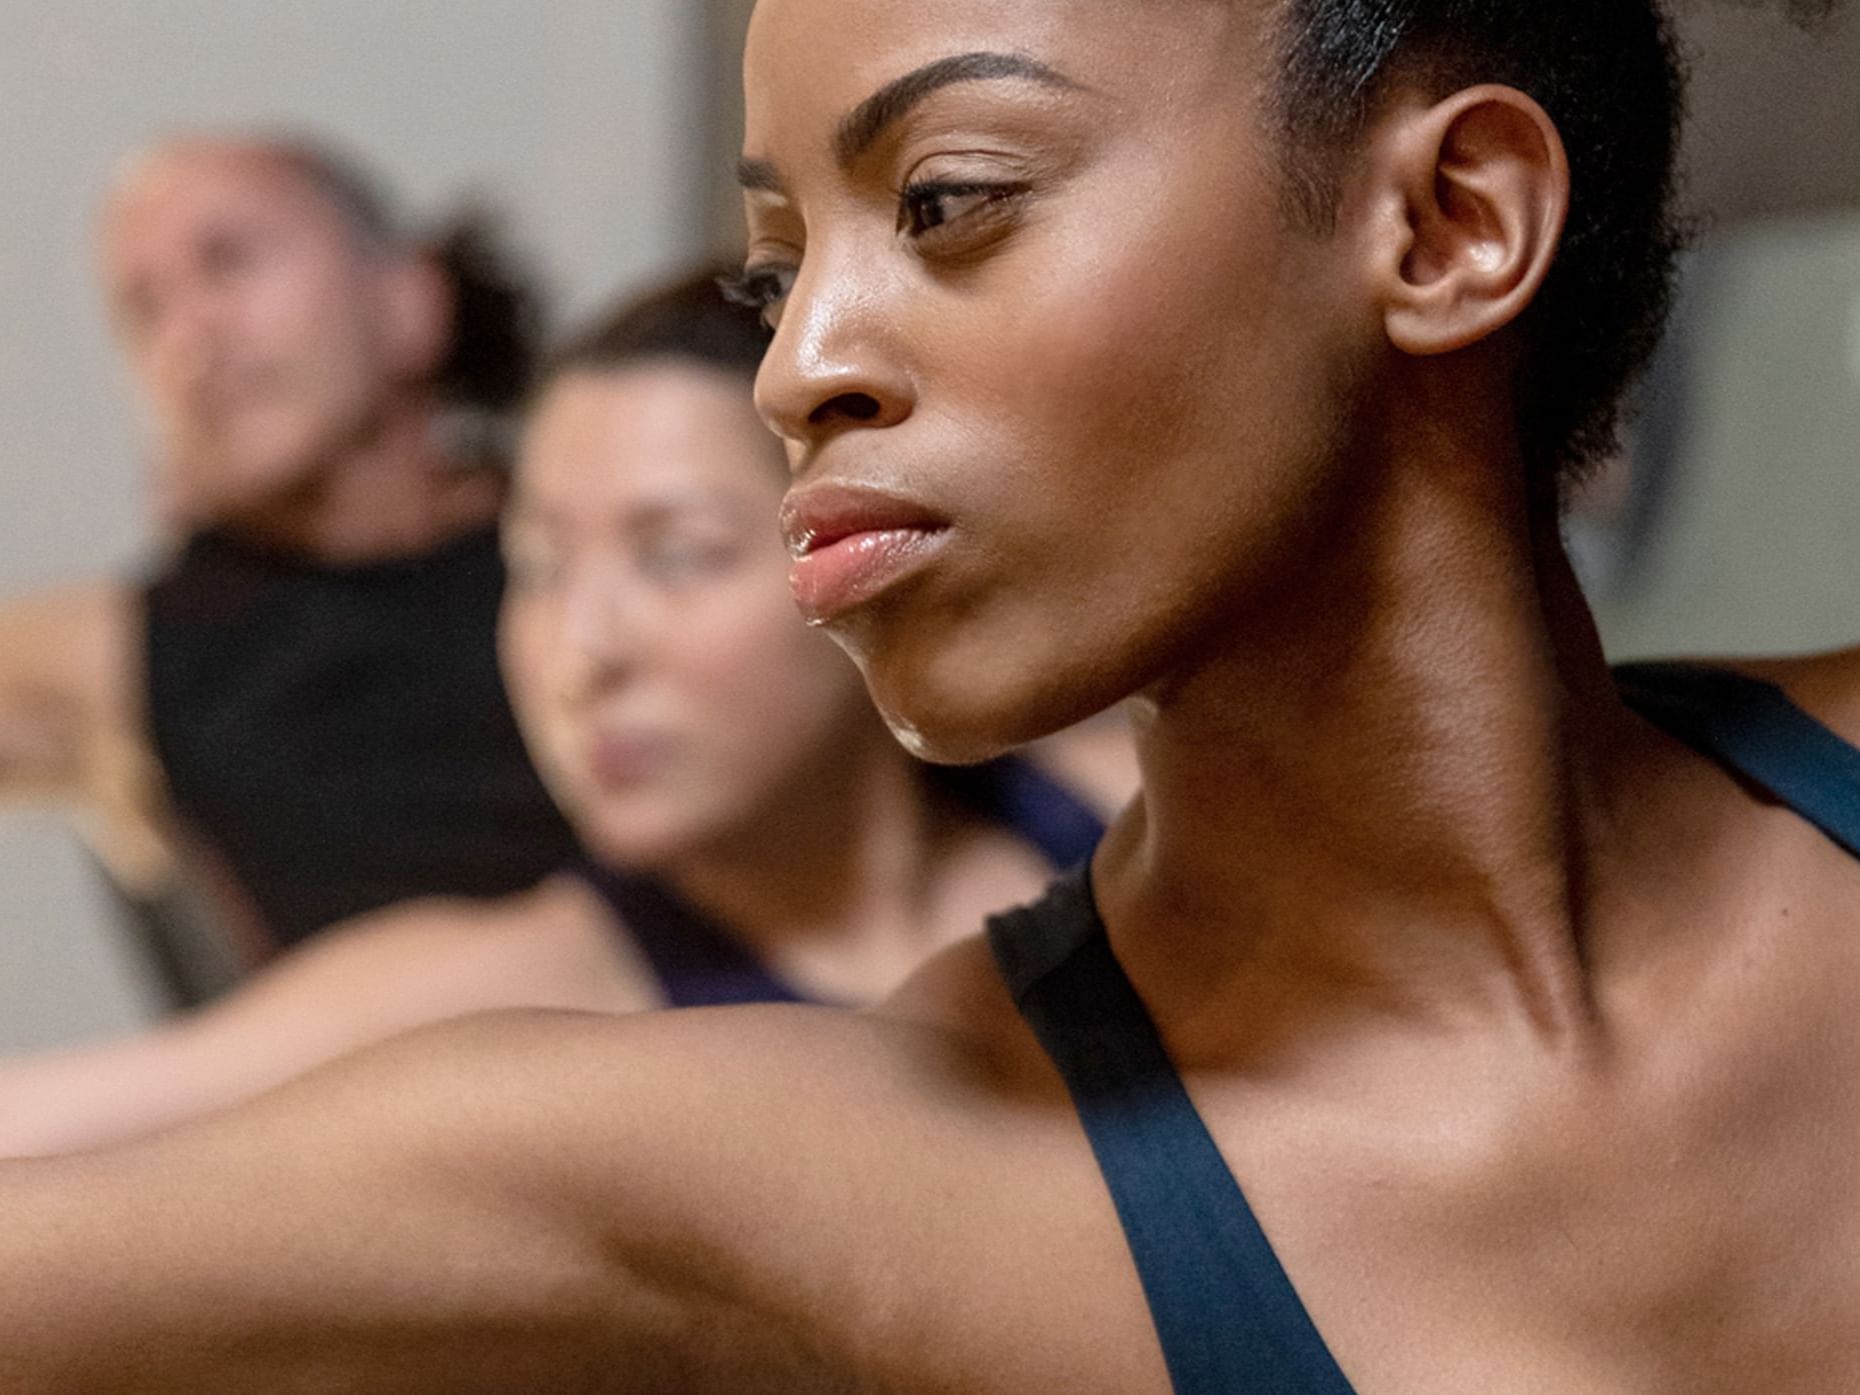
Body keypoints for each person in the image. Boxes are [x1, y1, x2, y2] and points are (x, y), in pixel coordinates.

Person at [4, 0, 1860, 1390]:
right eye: (773, 264)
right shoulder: (855, 1176)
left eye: (948, 198)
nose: (792, 368)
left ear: (1452, 221)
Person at [0, 269, 1106, 1158]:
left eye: (676, 556)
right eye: (534, 568)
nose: (580, 653)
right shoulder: (508, 994)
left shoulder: (1129, 805)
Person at [0, 134, 576, 977]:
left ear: (408, 300)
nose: (190, 335)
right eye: (143, 308)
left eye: (229, 262)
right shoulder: (144, 647)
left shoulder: (578, 552)